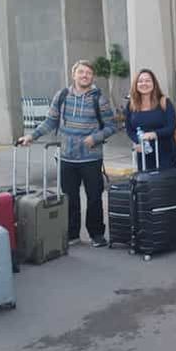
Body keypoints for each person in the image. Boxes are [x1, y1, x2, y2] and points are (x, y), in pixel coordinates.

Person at [18, 60, 117, 247]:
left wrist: (95, 138)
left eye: (88, 73)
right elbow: (50, 121)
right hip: (66, 157)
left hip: (91, 158)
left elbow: (112, 126)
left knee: (94, 198)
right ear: (74, 75)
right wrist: (32, 136)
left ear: (92, 77)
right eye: (81, 72)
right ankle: (72, 234)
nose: (85, 75)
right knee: (70, 198)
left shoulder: (99, 99)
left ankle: (96, 234)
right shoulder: (62, 96)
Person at [124, 69, 176, 171]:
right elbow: (129, 129)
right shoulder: (131, 104)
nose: (144, 84)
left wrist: (154, 134)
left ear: (154, 84)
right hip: (144, 153)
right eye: (140, 81)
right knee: (146, 180)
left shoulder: (164, 102)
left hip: (165, 153)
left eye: (148, 80)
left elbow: (171, 127)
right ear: (136, 84)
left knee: (164, 180)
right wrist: (138, 141)